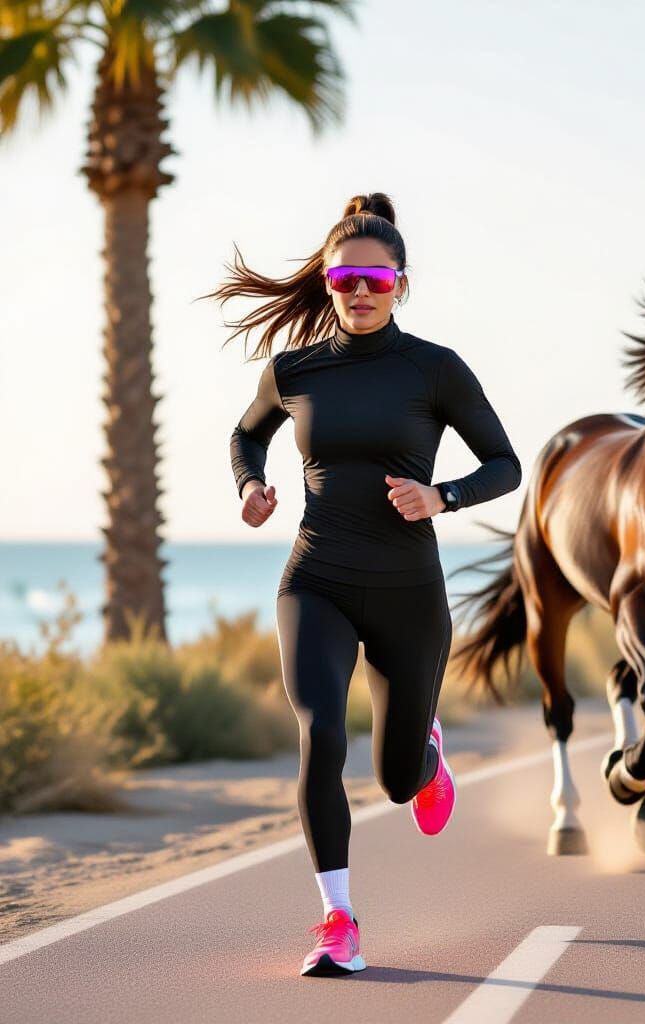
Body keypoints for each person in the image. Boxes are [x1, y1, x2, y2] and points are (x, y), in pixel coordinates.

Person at [207, 192, 522, 976]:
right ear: (325, 280)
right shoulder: (295, 369)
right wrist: (250, 486)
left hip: (407, 592)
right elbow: (246, 433)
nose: (358, 291)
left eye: (375, 280)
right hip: (316, 577)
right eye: (344, 277)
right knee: (320, 732)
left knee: (392, 778)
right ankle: (337, 920)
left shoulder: (435, 369)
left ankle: (425, 753)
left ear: (401, 285)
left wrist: (442, 496)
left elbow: (505, 464)